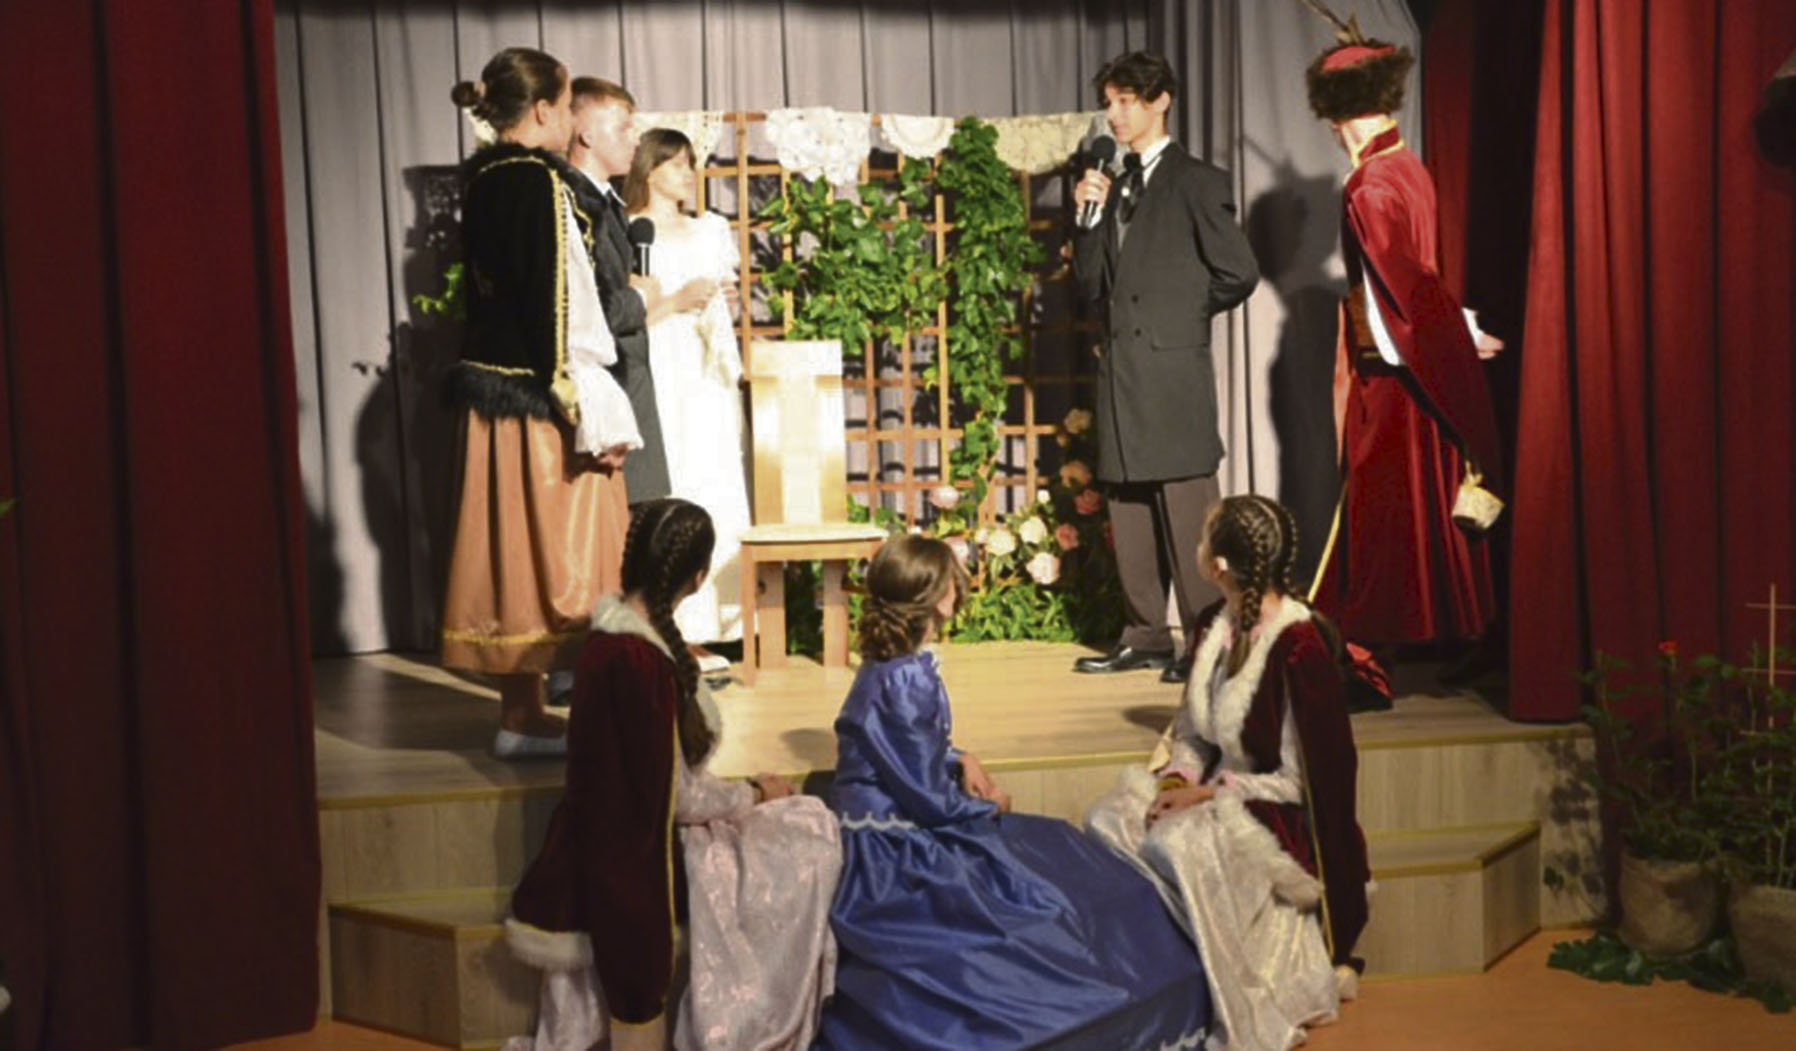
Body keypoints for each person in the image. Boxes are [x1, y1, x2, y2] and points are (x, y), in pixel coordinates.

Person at [816, 535, 1211, 1051]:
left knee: (1062, 864)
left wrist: (959, 758)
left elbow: (901, 747)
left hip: (901, 823)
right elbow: (927, 798)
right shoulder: (906, 677)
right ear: (937, 596)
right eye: (952, 579)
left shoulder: (895, 666)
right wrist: (985, 806)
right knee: (1046, 900)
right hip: (894, 851)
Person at [505, 499, 842, 1051]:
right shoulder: (642, 663)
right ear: (698, 577)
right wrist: (754, 794)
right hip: (646, 855)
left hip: (599, 836)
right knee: (807, 833)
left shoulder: (611, 642)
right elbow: (677, 797)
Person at [1087, 494, 1370, 1051]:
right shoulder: (1211, 627)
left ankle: (1227, 998)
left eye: (1202, 538)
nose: (1195, 546)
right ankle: (1164, 973)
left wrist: (1207, 796)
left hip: (1270, 813)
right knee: (1108, 818)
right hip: (1209, 790)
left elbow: (1300, 782)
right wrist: (1176, 782)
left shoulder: (1299, 647)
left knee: (1177, 844)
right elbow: (1193, 734)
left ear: (1218, 565)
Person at [440, 48, 639, 758]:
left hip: (494, 392)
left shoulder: (485, 179)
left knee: (511, 551)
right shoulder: (538, 181)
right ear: (547, 109)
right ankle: (587, 715)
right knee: (574, 549)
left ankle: (521, 714)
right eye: (565, 101)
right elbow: (564, 303)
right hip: (538, 394)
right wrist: (588, 403)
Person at [1300, 22, 1505, 661]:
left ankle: (1369, 654)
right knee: (1418, 503)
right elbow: (1418, 276)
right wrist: (1457, 332)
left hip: (1393, 374)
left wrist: (1454, 335)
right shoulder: (1407, 166)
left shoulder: (1370, 185)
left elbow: (1405, 284)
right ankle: (1433, 635)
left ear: (1337, 115)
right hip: (1414, 361)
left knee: (1382, 511)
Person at [1070, 51, 1261, 685]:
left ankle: (1208, 642)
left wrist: (1177, 318)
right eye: (1110, 102)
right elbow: (1090, 283)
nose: (1114, 114)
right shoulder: (1111, 181)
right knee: (1128, 508)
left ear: (1160, 101)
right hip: (1120, 376)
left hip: (1172, 375)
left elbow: (1239, 272)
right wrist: (1087, 219)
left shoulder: (1197, 181)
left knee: (1187, 515)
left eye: (1126, 101)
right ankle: (1145, 635)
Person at [624, 129, 750, 660]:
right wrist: (676, 300)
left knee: (713, 477)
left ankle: (720, 621)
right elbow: (625, 317)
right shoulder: (631, 230)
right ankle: (669, 621)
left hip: (706, 372)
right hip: (663, 366)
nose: (687, 173)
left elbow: (726, 302)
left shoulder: (710, 229)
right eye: (675, 163)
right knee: (673, 478)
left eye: (689, 163)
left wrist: (724, 302)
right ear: (649, 170)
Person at [565, 76, 685, 508]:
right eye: (623, 128)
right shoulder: (573, 204)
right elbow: (583, 312)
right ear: (586, 134)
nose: (635, 139)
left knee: (641, 518)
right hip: (603, 390)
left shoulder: (608, 201)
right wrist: (641, 299)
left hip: (629, 382)